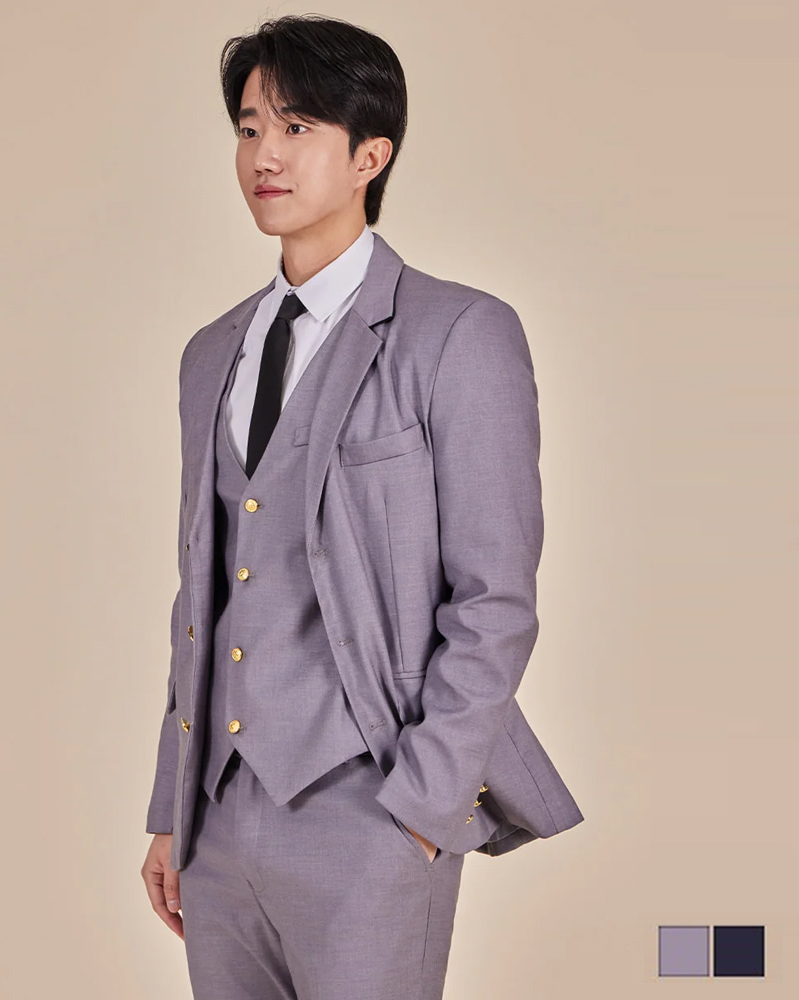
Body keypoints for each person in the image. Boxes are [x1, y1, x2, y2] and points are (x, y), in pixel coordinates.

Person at [141, 14, 583, 999]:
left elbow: (494, 598)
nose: (264, 154)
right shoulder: (210, 354)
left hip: (371, 808)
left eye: (296, 127)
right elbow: (200, 598)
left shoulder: (457, 333)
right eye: (249, 128)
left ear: (369, 157)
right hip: (216, 825)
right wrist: (170, 811)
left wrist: (420, 809)